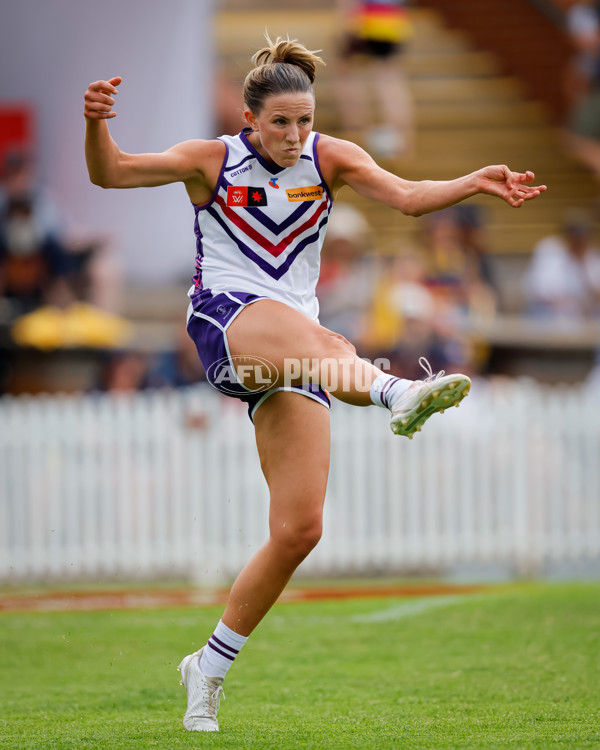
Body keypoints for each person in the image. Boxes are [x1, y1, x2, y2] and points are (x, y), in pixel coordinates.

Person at [83, 34, 546, 733]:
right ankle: (397, 393)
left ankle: (206, 668)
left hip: (301, 353)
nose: (295, 134)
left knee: (299, 529)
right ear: (250, 120)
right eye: (280, 122)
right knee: (328, 342)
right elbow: (111, 174)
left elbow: (411, 198)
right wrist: (97, 123)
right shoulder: (213, 160)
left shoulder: (331, 157)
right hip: (229, 323)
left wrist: (471, 181)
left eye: (304, 119)